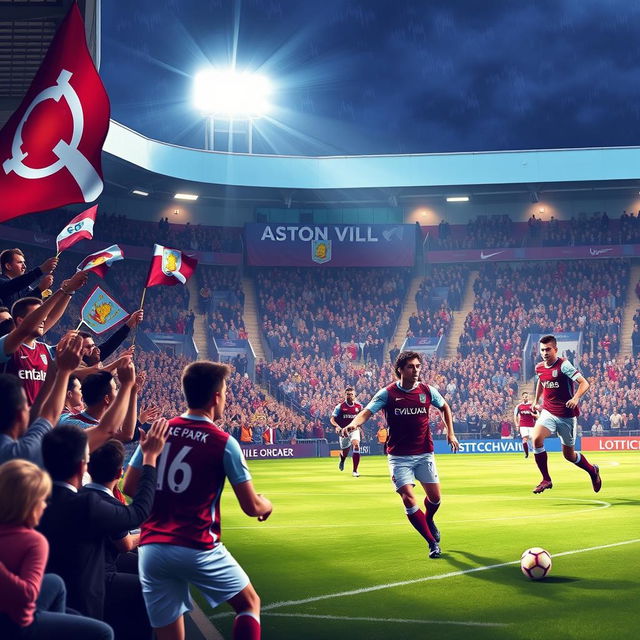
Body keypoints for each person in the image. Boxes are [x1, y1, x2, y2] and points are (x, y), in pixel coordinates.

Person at [123, 361, 273, 640]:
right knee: (248, 603)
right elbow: (251, 506)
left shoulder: (161, 430)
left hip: (152, 547)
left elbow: (130, 485)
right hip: (196, 544)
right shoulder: (223, 441)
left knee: (169, 633)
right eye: (225, 392)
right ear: (217, 396)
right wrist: (268, 504)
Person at [38, 420, 168, 622]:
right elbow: (139, 512)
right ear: (83, 466)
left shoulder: (32, 502)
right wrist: (150, 457)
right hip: (84, 602)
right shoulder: (87, 504)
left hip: (45, 599)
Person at [342, 351, 459, 559]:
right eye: (411, 367)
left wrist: (451, 433)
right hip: (399, 457)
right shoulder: (387, 393)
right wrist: (353, 424)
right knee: (408, 499)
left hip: (424, 453)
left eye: (418, 366)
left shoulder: (427, 391)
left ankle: (429, 519)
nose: (416, 370)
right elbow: (367, 412)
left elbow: (445, 407)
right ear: (400, 370)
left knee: (435, 498)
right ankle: (432, 543)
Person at [0, 459, 113, 639]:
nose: (45, 506)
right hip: (17, 624)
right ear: (28, 504)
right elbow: (27, 595)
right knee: (104, 632)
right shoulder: (34, 541)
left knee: (55, 582)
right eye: (42, 500)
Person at [83, 440, 152, 640]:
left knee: (143, 562)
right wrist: (148, 533)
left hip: (96, 558)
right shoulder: (110, 504)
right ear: (119, 473)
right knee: (149, 588)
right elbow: (125, 545)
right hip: (100, 572)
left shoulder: (81, 493)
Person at [0, 272, 87, 405]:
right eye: (39, 315)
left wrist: (69, 292)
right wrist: (63, 290)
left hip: (35, 421)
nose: (43, 319)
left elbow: (51, 318)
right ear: (20, 320)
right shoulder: (7, 345)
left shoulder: (44, 349)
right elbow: (26, 328)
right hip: (9, 422)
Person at [0, 331, 84, 466]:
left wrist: (57, 366)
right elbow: (48, 415)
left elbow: (41, 408)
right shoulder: (20, 452)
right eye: (27, 406)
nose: (30, 408)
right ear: (21, 414)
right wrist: (64, 371)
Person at [531, 335, 601, 494]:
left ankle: (592, 470)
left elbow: (584, 383)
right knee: (536, 439)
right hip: (548, 411)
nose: (545, 352)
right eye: (542, 350)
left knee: (568, 456)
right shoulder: (539, 368)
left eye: (548, 349)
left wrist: (576, 398)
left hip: (566, 416)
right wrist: (536, 401)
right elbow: (541, 382)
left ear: (555, 349)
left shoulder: (564, 365)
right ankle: (546, 479)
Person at [329, 387, 363, 477]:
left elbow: (361, 418)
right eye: (348, 394)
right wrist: (337, 426)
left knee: (356, 445)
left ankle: (355, 471)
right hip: (343, 432)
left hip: (354, 430)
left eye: (351, 394)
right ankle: (342, 459)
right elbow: (332, 419)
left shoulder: (359, 407)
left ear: (354, 395)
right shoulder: (340, 407)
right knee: (345, 452)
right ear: (345, 395)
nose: (350, 396)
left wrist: (359, 426)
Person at [514, 391, 538, 458]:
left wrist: (534, 415)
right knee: (525, 439)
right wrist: (516, 424)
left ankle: (536, 452)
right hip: (523, 425)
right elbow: (515, 415)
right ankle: (526, 454)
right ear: (522, 397)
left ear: (528, 397)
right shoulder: (519, 406)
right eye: (524, 397)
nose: (525, 398)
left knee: (533, 439)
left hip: (531, 425)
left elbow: (537, 415)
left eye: (526, 397)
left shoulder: (532, 406)